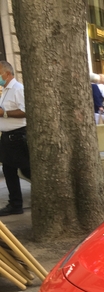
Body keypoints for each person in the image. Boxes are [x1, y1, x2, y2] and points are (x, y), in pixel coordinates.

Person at [0, 61, 30, 216]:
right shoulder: (5, 90)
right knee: (9, 170)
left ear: (7, 73)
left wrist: (4, 114)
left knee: (27, 169)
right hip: (7, 137)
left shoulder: (18, 89)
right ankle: (15, 203)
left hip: (17, 136)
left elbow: (25, 111)